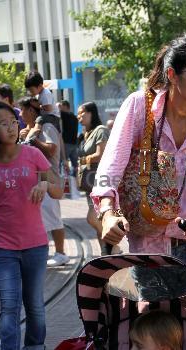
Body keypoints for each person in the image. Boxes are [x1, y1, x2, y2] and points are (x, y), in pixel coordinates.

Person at [91, 33, 186, 331]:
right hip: (152, 241)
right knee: (154, 333)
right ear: (172, 74)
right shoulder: (139, 107)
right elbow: (111, 168)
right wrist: (108, 213)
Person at [0, 101, 63, 350]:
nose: (12, 128)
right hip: (3, 248)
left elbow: (56, 189)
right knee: (9, 305)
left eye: (13, 122)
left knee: (34, 304)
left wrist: (44, 184)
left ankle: (35, 346)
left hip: (35, 245)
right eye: (3, 124)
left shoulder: (33, 155)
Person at [18, 97, 70, 267]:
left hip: (48, 177)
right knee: (43, 219)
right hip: (35, 178)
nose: (20, 114)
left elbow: (51, 148)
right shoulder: (30, 128)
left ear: (31, 111)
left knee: (53, 217)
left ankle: (61, 253)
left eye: (23, 110)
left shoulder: (46, 126)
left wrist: (33, 140)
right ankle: (47, 252)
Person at [77, 102, 110, 255]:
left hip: (100, 180)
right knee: (97, 218)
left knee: (93, 217)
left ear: (91, 113)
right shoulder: (86, 133)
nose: (79, 117)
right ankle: (106, 252)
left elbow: (101, 154)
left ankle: (112, 244)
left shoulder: (100, 130)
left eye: (82, 113)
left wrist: (84, 160)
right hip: (89, 182)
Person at [58, 100, 78, 176]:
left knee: (63, 162)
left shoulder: (64, 115)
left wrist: (58, 107)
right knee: (75, 165)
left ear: (65, 106)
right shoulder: (75, 117)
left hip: (66, 144)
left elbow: (57, 111)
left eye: (61, 106)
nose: (60, 108)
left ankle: (66, 179)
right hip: (74, 143)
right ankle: (75, 179)